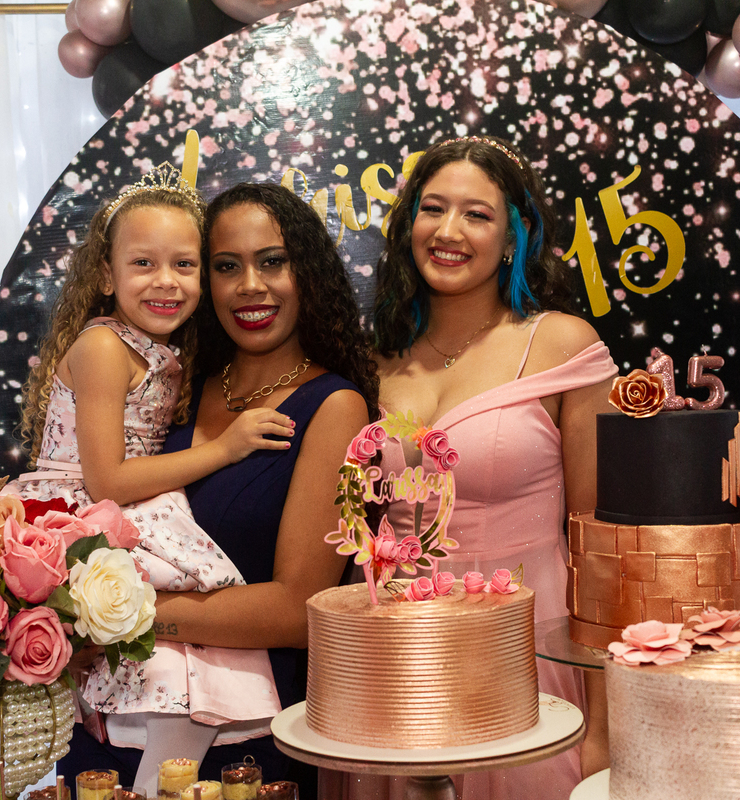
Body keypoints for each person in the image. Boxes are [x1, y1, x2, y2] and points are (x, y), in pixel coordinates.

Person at [7, 165, 295, 791]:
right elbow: (108, 478)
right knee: (168, 652)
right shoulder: (103, 348)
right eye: (143, 263)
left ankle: (158, 780)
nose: (166, 281)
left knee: (183, 659)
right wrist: (225, 448)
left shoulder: (164, 353)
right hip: (91, 512)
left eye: (184, 265)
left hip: (134, 506)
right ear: (105, 276)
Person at [367, 135, 618, 799]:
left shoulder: (561, 344)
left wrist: (603, 723)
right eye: (432, 208)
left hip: (526, 652)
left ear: (512, 236)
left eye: (476, 214)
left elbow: (599, 544)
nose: (448, 231)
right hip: (401, 655)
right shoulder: (378, 358)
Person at [138, 182, 375, 788]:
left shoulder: (335, 407)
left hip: (249, 745)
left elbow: (299, 610)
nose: (250, 285)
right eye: (226, 266)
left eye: (272, 262)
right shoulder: (174, 388)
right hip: (114, 722)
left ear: (308, 274)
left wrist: (120, 617)